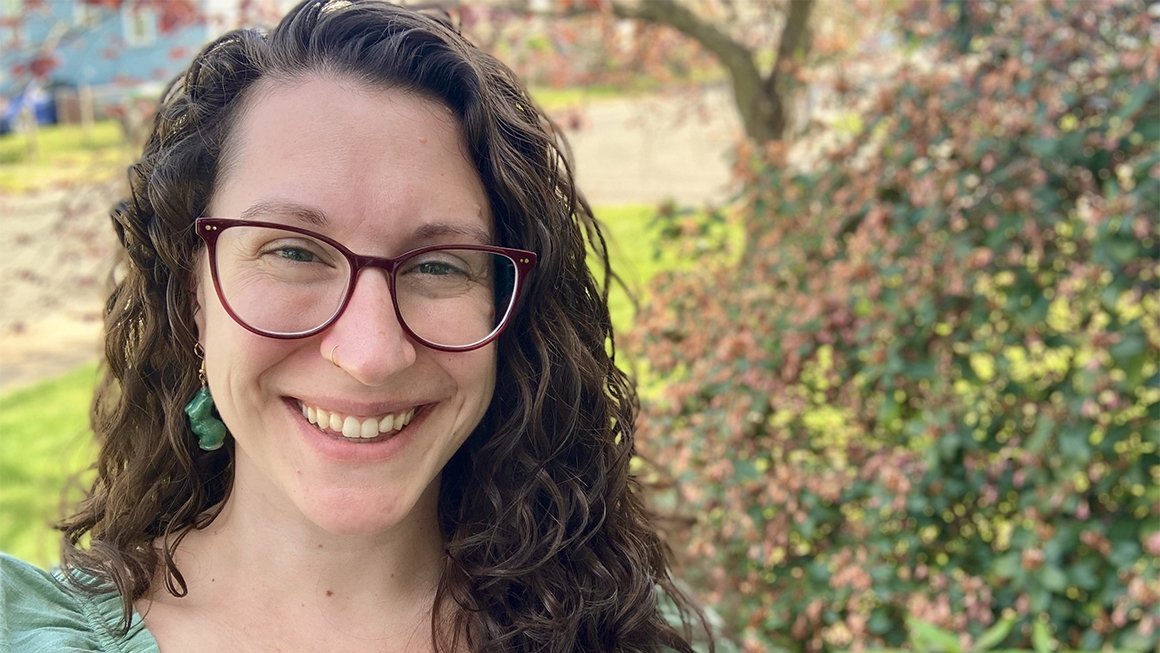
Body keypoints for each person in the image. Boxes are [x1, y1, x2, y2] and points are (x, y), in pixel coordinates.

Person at [0, 0, 712, 651]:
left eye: (439, 265)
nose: (371, 353)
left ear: (508, 309)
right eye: (293, 251)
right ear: (193, 293)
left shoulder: (629, 632)